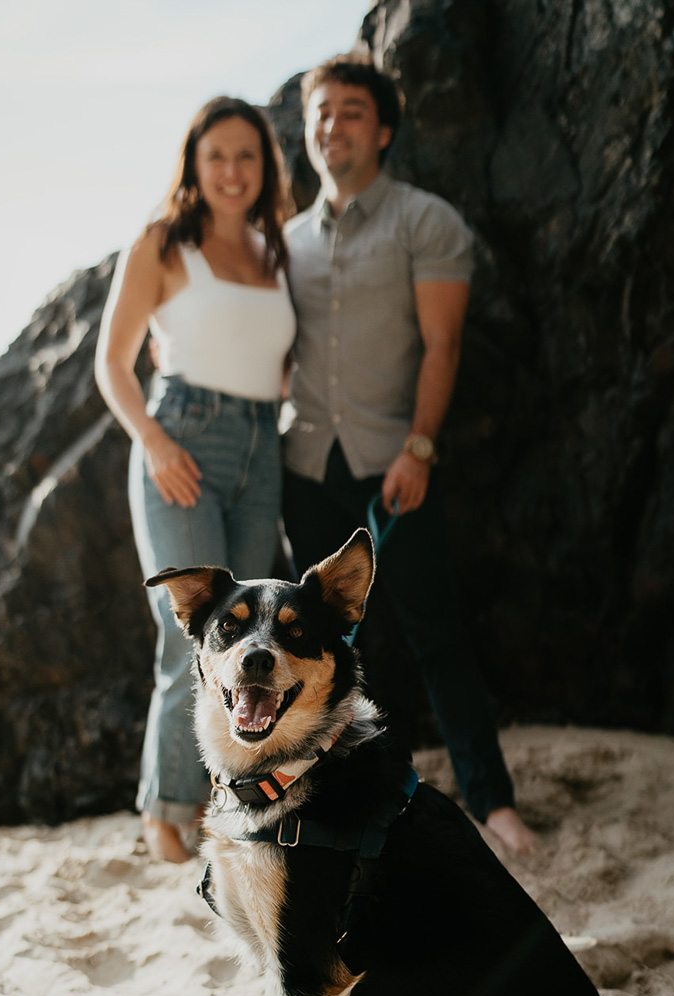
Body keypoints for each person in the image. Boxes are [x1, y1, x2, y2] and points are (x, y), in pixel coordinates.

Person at [281, 56, 538, 856]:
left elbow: (443, 342)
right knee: (317, 650)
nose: (332, 125)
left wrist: (418, 449)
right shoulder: (281, 242)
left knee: (436, 634)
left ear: (383, 129)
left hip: (394, 468)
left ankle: (492, 802)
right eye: (320, 112)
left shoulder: (425, 221)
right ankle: (326, 802)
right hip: (304, 469)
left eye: (350, 111)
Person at [96, 97, 295, 862]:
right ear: (193, 163)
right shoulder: (163, 241)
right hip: (182, 442)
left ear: (265, 166)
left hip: (261, 449)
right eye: (216, 155)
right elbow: (112, 361)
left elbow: (278, 361)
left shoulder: (275, 252)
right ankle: (164, 814)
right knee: (188, 641)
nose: (232, 170)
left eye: (247, 155)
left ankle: (228, 803)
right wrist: (152, 439)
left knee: (252, 640)